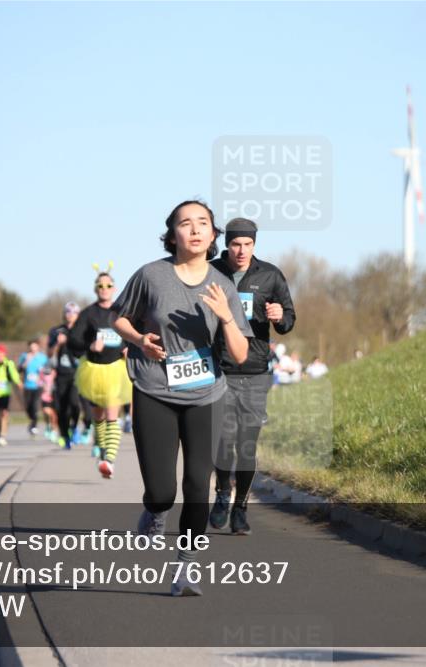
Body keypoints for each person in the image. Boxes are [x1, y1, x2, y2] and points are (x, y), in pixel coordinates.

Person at [113, 200, 252, 596]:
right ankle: (155, 513)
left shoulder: (223, 286)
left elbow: (240, 354)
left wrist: (226, 316)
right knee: (162, 491)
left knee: (196, 486)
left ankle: (186, 567)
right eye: (185, 224)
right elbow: (120, 317)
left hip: (206, 394)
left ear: (213, 235)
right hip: (155, 388)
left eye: (202, 223)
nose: (194, 230)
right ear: (172, 233)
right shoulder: (151, 276)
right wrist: (140, 339)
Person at [209, 218, 296, 535]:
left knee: (247, 444)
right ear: (227, 245)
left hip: (256, 372)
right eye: (235, 244)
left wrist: (280, 317)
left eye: (247, 244)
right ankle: (222, 492)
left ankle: (241, 507)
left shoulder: (270, 275)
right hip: (218, 369)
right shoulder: (211, 272)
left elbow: (289, 318)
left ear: (254, 245)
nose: (241, 250)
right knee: (222, 441)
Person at [70, 267, 133, 478]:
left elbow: (131, 334)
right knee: (98, 416)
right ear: (95, 289)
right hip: (94, 371)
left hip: (116, 369)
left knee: (112, 414)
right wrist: (90, 345)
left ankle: (108, 460)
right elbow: (74, 341)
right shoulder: (88, 314)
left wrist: (128, 347)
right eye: (100, 286)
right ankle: (102, 447)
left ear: (114, 288)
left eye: (108, 285)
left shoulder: (123, 311)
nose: (104, 289)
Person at [48, 303, 85, 446]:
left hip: (77, 373)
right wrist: (58, 344)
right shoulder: (56, 331)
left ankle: (74, 427)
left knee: (75, 403)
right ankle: (64, 435)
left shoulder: (82, 331)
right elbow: (49, 353)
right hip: (61, 374)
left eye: (74, 312)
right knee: (61, 407)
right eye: (68, 312)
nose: (70, 314)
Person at [18, 340, 48, 437]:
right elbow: (19, 370)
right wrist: (25, 362)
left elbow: (48, 371)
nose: (32, 349)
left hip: (38, 385)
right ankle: (32, 420)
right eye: (31, 347)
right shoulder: (24, 356)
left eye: (34, 346)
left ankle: (34, 425)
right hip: (27, 385)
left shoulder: (43, 358)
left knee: (35, 406)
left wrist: (45, 381)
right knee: (27, 406)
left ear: (38, 347)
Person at [40, 361, 59, 444]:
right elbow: (39, 381)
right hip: (45, 396)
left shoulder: (56, 373)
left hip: (54, 396)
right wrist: (42, 385)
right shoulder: (42, 373)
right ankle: (48, 425)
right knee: (46, 411)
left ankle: (53, 431)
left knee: (54, 415)